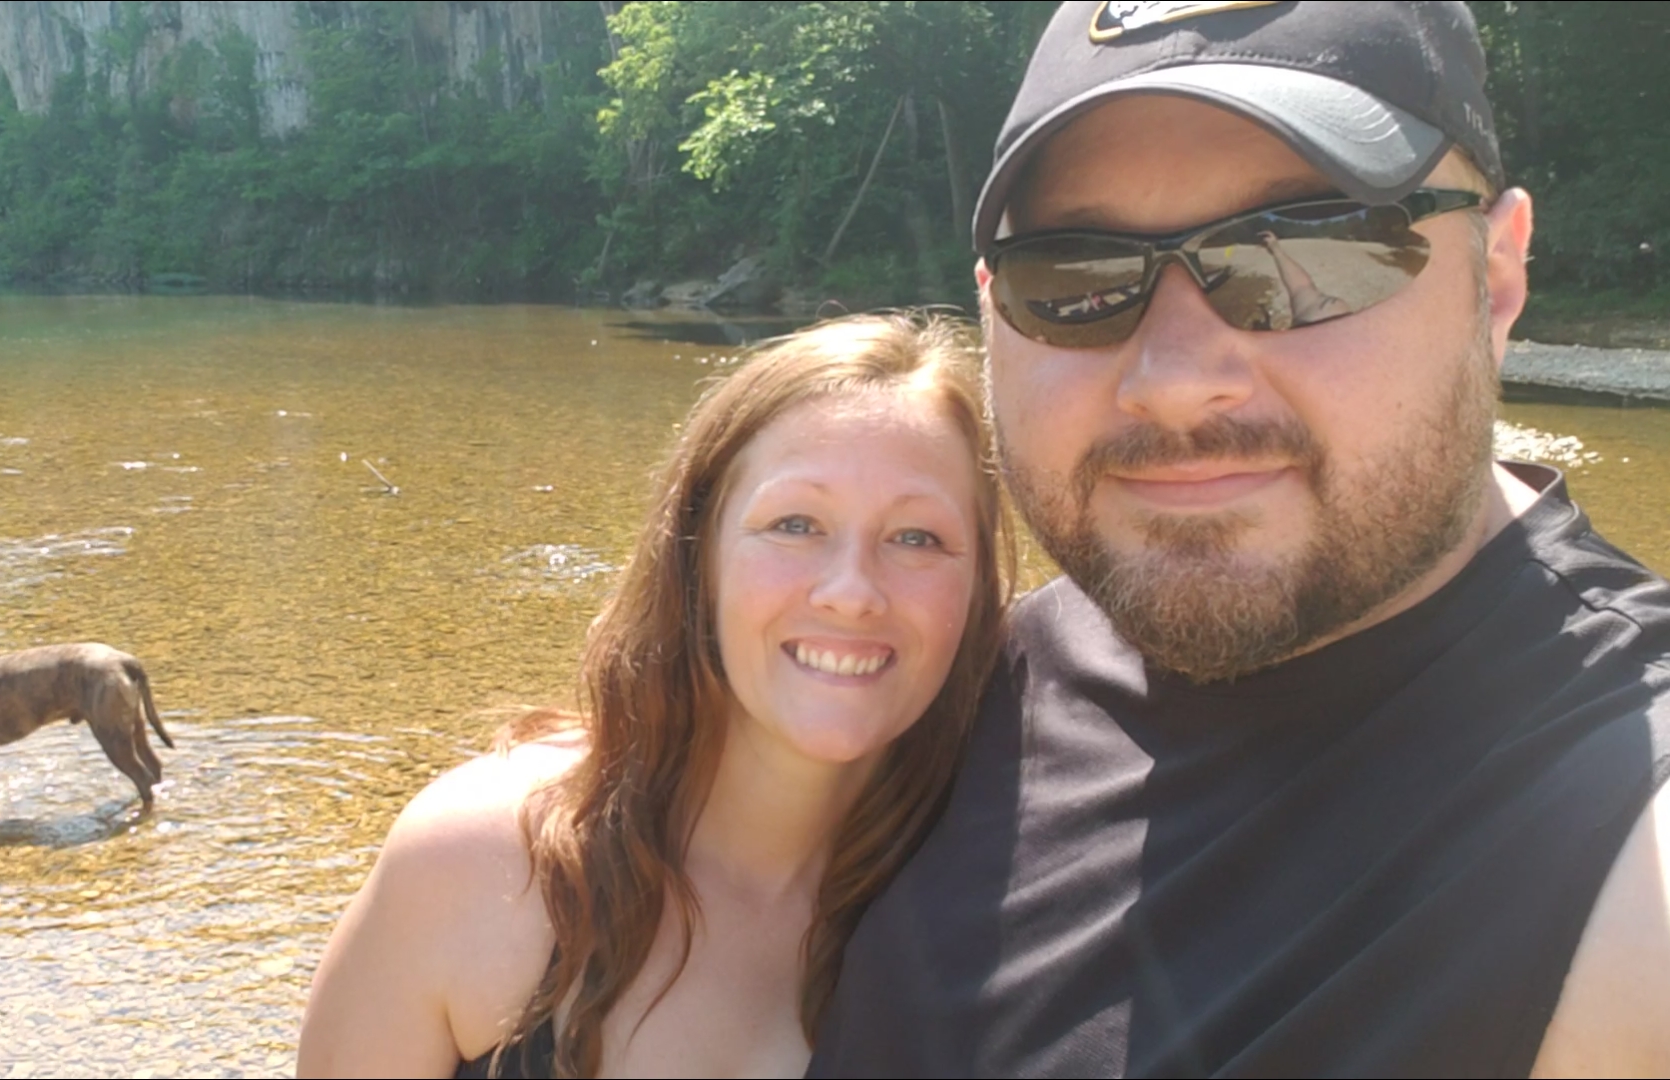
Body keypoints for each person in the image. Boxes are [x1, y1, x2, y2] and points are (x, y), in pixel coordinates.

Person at [811, 3, 1670, 1077]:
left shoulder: (1621, 809)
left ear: (1493, 278)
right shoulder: (956, 686)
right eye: (1075, 279)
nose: (1173, 383)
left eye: (1303, 252)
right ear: (992, 309)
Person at [298, 312, 1010, 1077]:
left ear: (975, 594)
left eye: (917, 538)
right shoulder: (481, 868)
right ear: (696, 561)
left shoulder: (996, 904)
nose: (852, 592)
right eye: (796, 523)